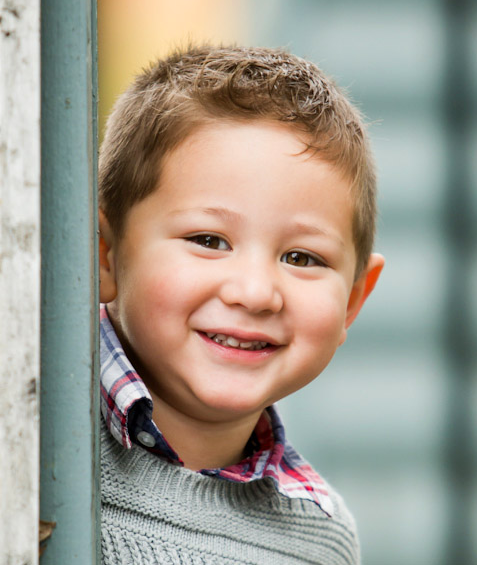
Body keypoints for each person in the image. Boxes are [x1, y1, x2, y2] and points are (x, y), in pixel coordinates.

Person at [97, 43, 384, 565]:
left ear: (353, 301)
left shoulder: (320, 542)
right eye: (208, 240)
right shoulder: (24, 442)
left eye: (302, 257)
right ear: (104, 256)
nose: (254, 293)